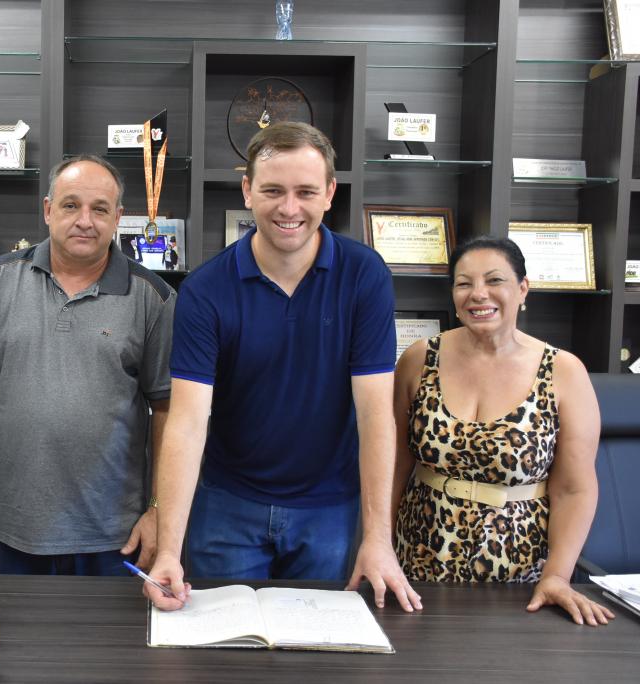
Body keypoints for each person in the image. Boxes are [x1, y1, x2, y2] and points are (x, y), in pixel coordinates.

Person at [146, 121, 421, 612]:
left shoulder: (364, 276)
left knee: (316, 647)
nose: (289, 208)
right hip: (227, 506)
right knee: (224, 644)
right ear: (247, 190)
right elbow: (186, 423)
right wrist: (169, 549)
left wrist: (378, 537)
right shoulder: (205, 290)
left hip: (329, 509)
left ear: (330, 193)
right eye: (273, 190)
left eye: (306, 192)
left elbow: (376, 414)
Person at [0, 154, 175, 575]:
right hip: (13, 527)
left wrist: (159, 510)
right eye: (70, 205)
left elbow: (167, 411)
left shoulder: (152, 298)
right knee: (12, 621)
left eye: (100, 209)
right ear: (48, 210)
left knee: (107, 623)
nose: (85, 220)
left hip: (113, 534)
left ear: (118, 218)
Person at [392, 236, 614, 627]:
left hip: (520, 572)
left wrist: (557, 576)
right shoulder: (418, 359)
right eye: (464, 283)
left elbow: (574, 488)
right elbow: (392, 465)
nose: (478, 294)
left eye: (494, 280)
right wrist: (378, 544)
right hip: (418, 557)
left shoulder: (563, 371)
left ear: (523, 289)